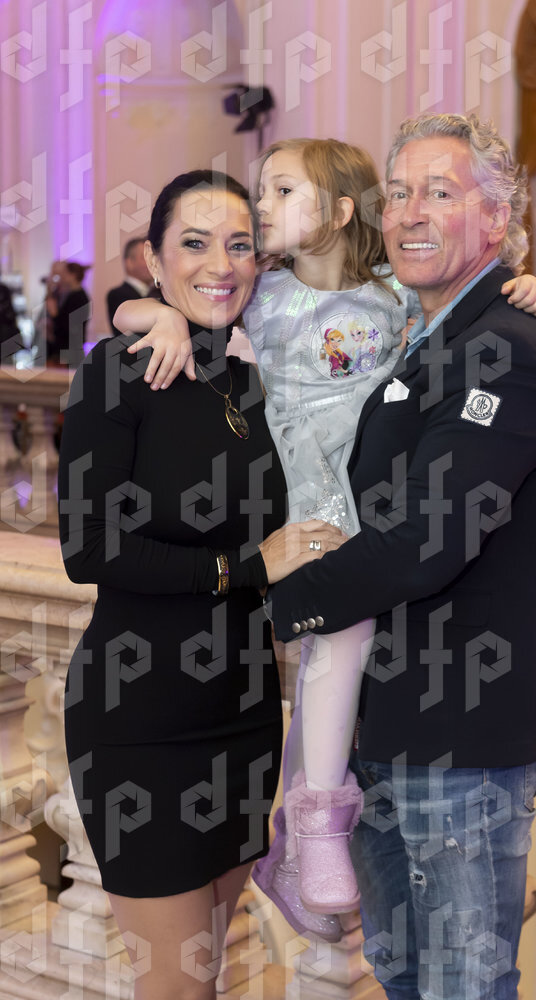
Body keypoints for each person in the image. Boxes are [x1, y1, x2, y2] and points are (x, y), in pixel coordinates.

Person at [113, 137, 536, 947]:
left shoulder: (390, 293)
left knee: (353, 659)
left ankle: (313, 831)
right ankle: (313, 823)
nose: (262, 208)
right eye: (263, 191)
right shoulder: (261, 290)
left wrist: (519, 280)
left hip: (363, 502)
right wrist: (161, 316)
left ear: (340, 211)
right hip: (295, 509)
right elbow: (132, 310)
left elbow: (464, 299)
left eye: (281, 192)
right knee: (336, 648)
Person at [260, 114, 536, 1000]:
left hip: (462, 733)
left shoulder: (509, 352)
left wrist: (261, 607)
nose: (408, 211)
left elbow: (422, 544)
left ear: (496, 218)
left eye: (439, 192)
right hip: (388, 722)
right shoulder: (421, 330)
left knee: (461, 985)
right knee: (402, 974)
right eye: (398, 191)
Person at [57, 169, 343, 1000]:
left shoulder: (254, 379)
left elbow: (371, 298)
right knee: (177, 987)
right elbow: (89, 548)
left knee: (209, 974)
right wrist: (249, 567)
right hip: (140, 722)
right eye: (193, 243)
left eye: (239, 244)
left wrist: (511, 279)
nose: (220, 264)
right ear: (152, 259)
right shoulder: (118, 375)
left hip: (243, 716)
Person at [106, 237, 155, 336]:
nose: (152, 263)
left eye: (153, 257)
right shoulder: (118, 295)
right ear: (129, 263)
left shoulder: (158, 291)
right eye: (145, 257)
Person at [46, 260, 91, 367]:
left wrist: (54, 314)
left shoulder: (79, 298)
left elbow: (71, 328)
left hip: (69, 351)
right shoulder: (70, 294)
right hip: (66, 350)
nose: (62, 276)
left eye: (65, 273)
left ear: (73, 275)